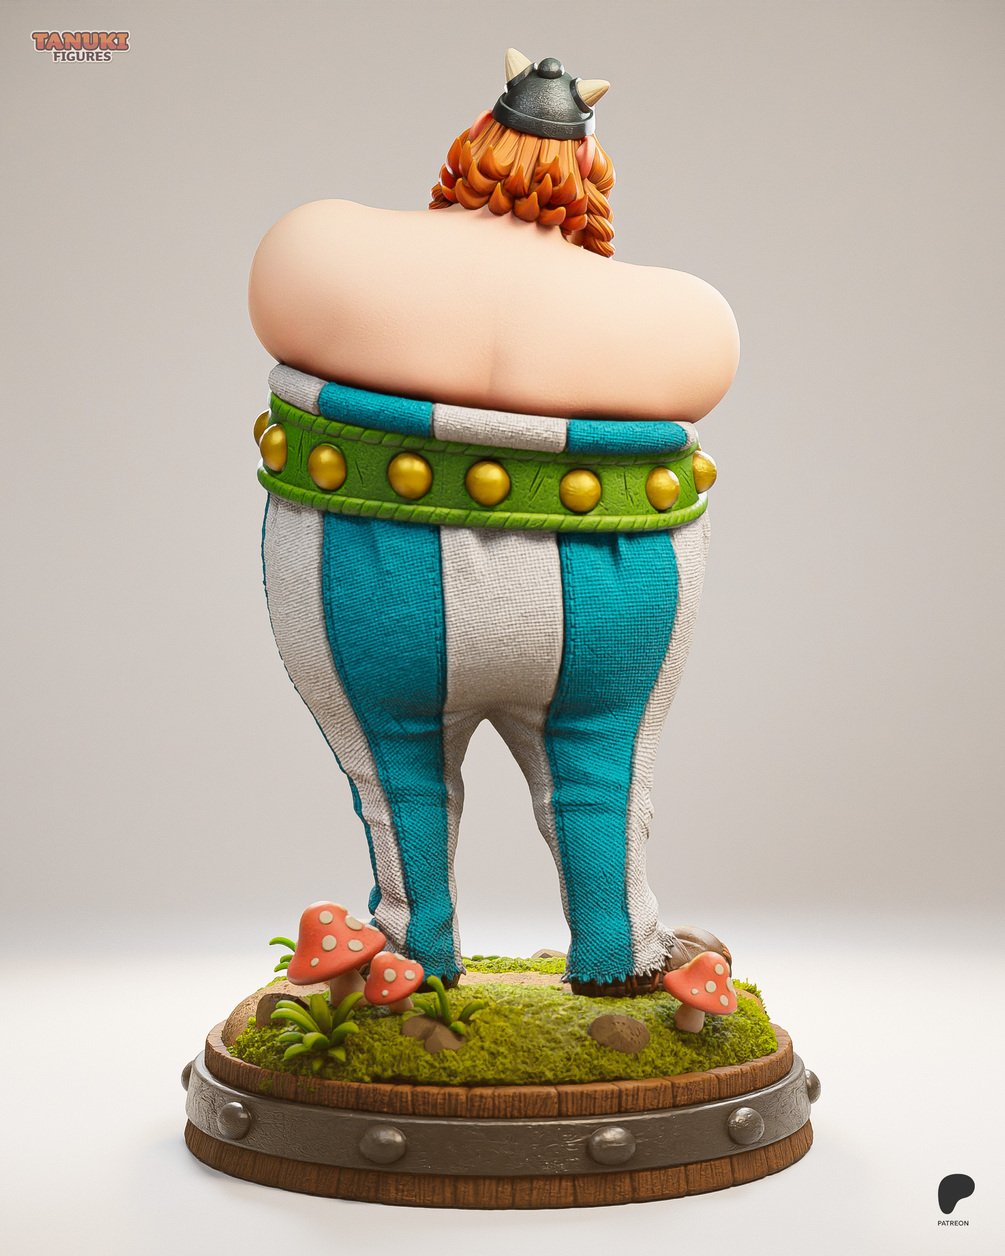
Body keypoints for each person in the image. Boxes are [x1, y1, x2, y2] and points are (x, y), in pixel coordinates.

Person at [248, 50, 739, 996]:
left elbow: (283, 309)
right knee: (599, 774)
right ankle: (620, 949)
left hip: (363, 571)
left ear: (470, 148)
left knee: (398, 784)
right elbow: (702, 378)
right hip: (611, 581)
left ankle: (413, 953)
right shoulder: (679, 312)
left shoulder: (323, 244)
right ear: (589, 175)